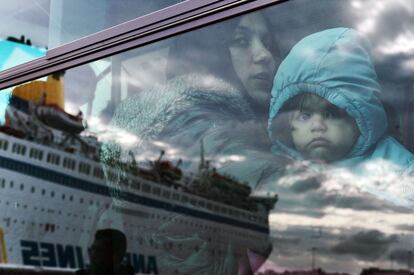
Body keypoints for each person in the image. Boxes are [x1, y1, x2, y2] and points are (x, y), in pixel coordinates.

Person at [102, 10, 281, 275]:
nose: (264, 55)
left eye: (268, 43)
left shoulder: (241, 126)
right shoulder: (198, 129)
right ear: (209, 48)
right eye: (241, 41)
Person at [267, 27, 414, 207]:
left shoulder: (398, 169)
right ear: (288, 126)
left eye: (331, 114)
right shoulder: (276, 168)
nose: (317, 126)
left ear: (360, 118)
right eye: (305, 116)